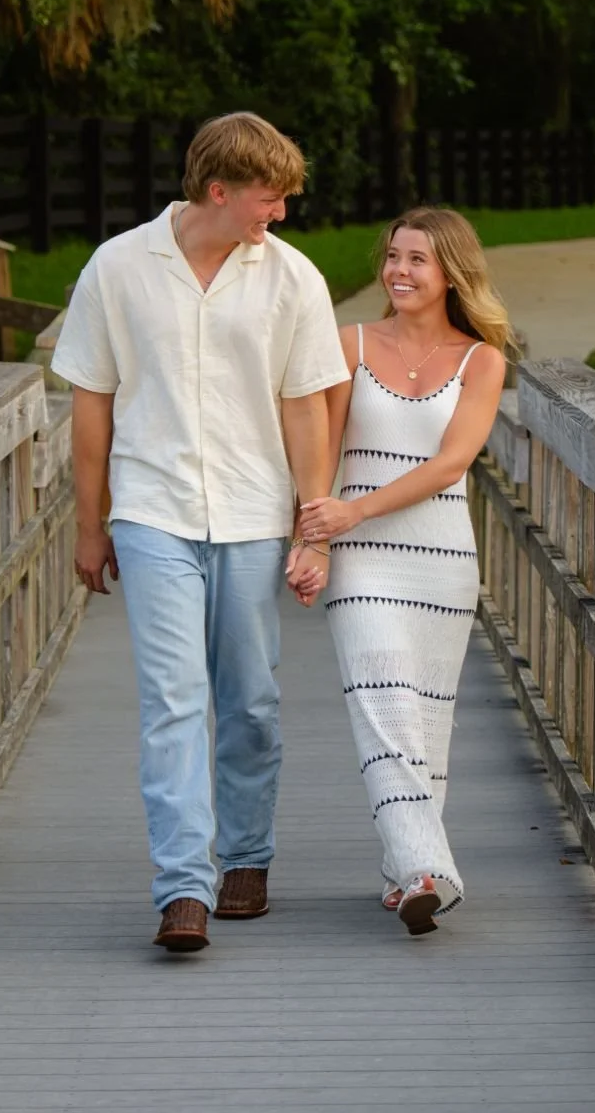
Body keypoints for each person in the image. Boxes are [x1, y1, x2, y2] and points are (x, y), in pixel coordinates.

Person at [52, 113, 348, 955]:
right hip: (152, 510)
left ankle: (245, 857)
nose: (281, 212)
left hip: (255, 513)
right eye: (270, 196)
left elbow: (306, 408)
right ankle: (182, 884)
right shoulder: (118, 268)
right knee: (172, 699)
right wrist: (89, 525)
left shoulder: (291, 279)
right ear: (218, 190)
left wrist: (314, 524)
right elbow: (91, 403)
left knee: (249, 698)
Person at [300, 207, 508, 935]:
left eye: (417, 258)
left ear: (451, 270)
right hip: (361, 561)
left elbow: (452, 463)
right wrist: (319, 534)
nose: (399, 270)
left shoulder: (481, 359)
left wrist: (357, 512)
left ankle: (403, 871)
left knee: (425, 719)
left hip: (443, 560)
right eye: (392, 256)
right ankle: (429, 868)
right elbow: (319, 445)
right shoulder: (348, 343)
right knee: (382, 697)